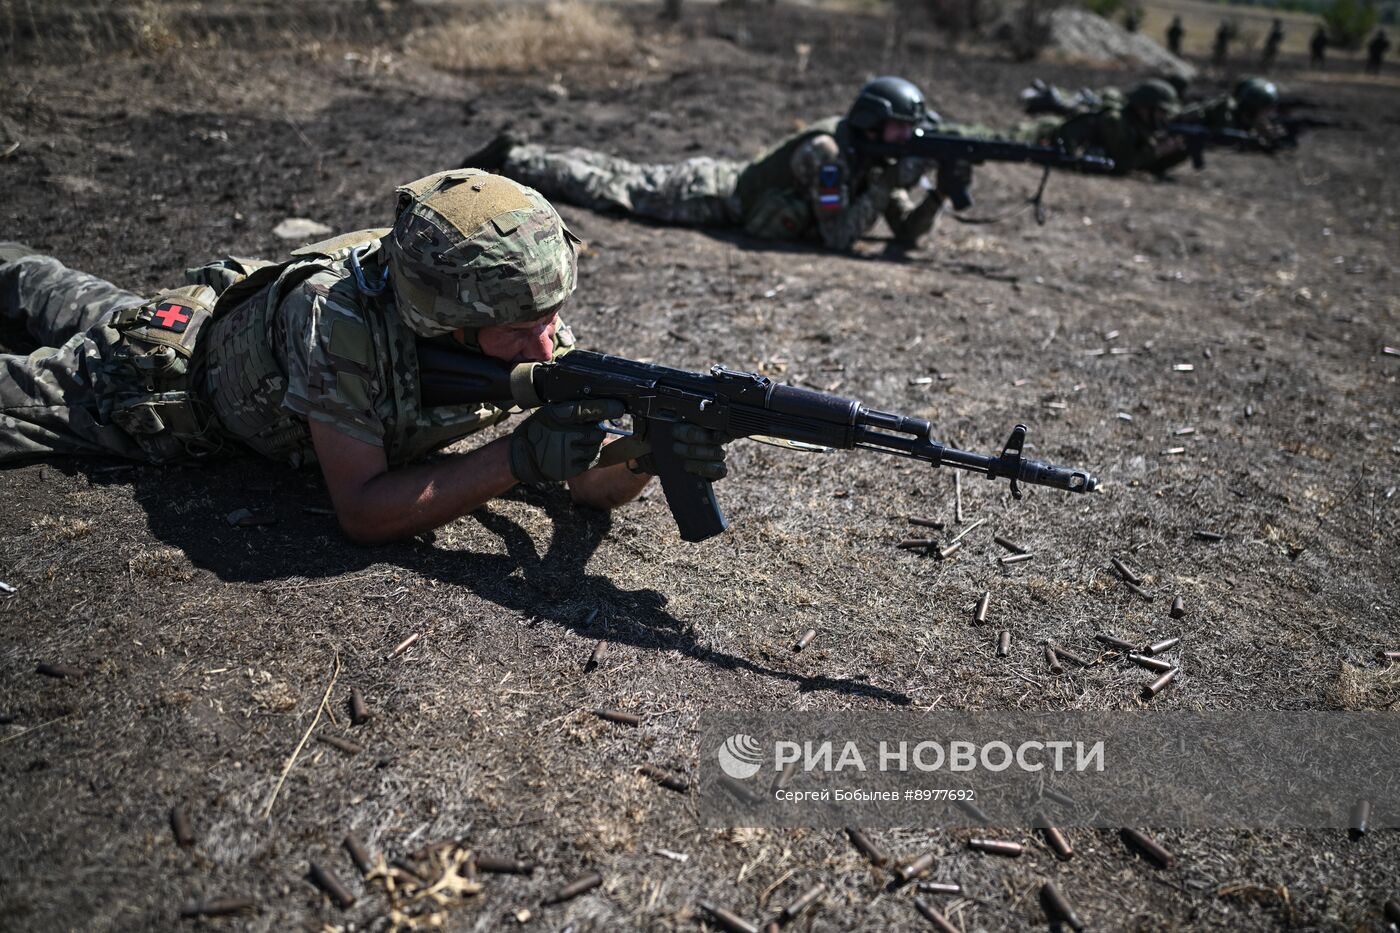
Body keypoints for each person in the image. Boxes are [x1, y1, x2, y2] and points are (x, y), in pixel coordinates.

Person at [0, 170, 728, 545]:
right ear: (445, 319)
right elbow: (362, 511)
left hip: (210, 316)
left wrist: (645, 453)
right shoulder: (339, 319)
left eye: (552, 319)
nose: (544, 347)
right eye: (518, 331)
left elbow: (588, 492)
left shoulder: (503, 300)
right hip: (148, 383)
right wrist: (514, 457)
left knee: (39, 282)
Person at [462, 77, 963, 253]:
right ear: (873, 123)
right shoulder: (827, 153)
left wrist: (938, 192)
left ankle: (527, 153)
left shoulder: (873, 158)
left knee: (616, 171)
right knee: (611, 186)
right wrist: (890, 183)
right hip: (709, 193)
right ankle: (515, 158)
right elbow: (838, 238)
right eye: (900, 128)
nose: (906, 138)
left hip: (721, 184)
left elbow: (905, 234)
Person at [1025, 79, 1185, 177]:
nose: (1164, 117)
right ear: (1145, 107)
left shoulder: (1137, 123)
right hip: (1043, 133)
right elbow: (1121, 164)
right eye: (1161, 111)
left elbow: (1146, 165)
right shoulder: (1115, 121)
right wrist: (1157, 150)